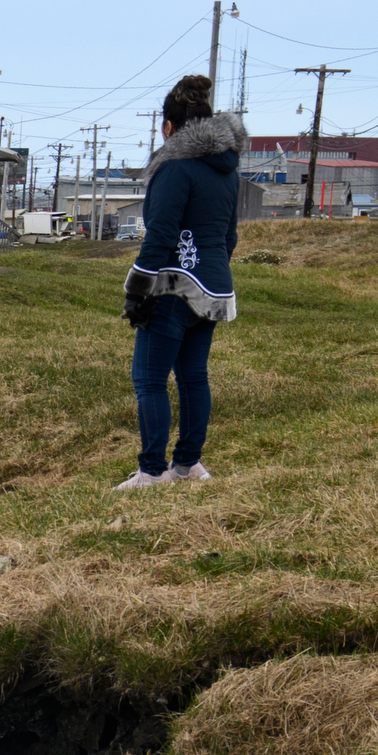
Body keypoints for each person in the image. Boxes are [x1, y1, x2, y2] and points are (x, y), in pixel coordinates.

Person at [119, 74, 246, 488]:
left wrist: (137, 291)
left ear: (169, 128)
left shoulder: (174, 168)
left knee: (149, 380)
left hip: (174, 287)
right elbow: (229, 236)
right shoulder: (225, 170)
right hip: (214, 287)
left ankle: (152, 471)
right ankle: (188, 465)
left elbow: (160, 236)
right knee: (194, 377)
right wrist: (209, 269)